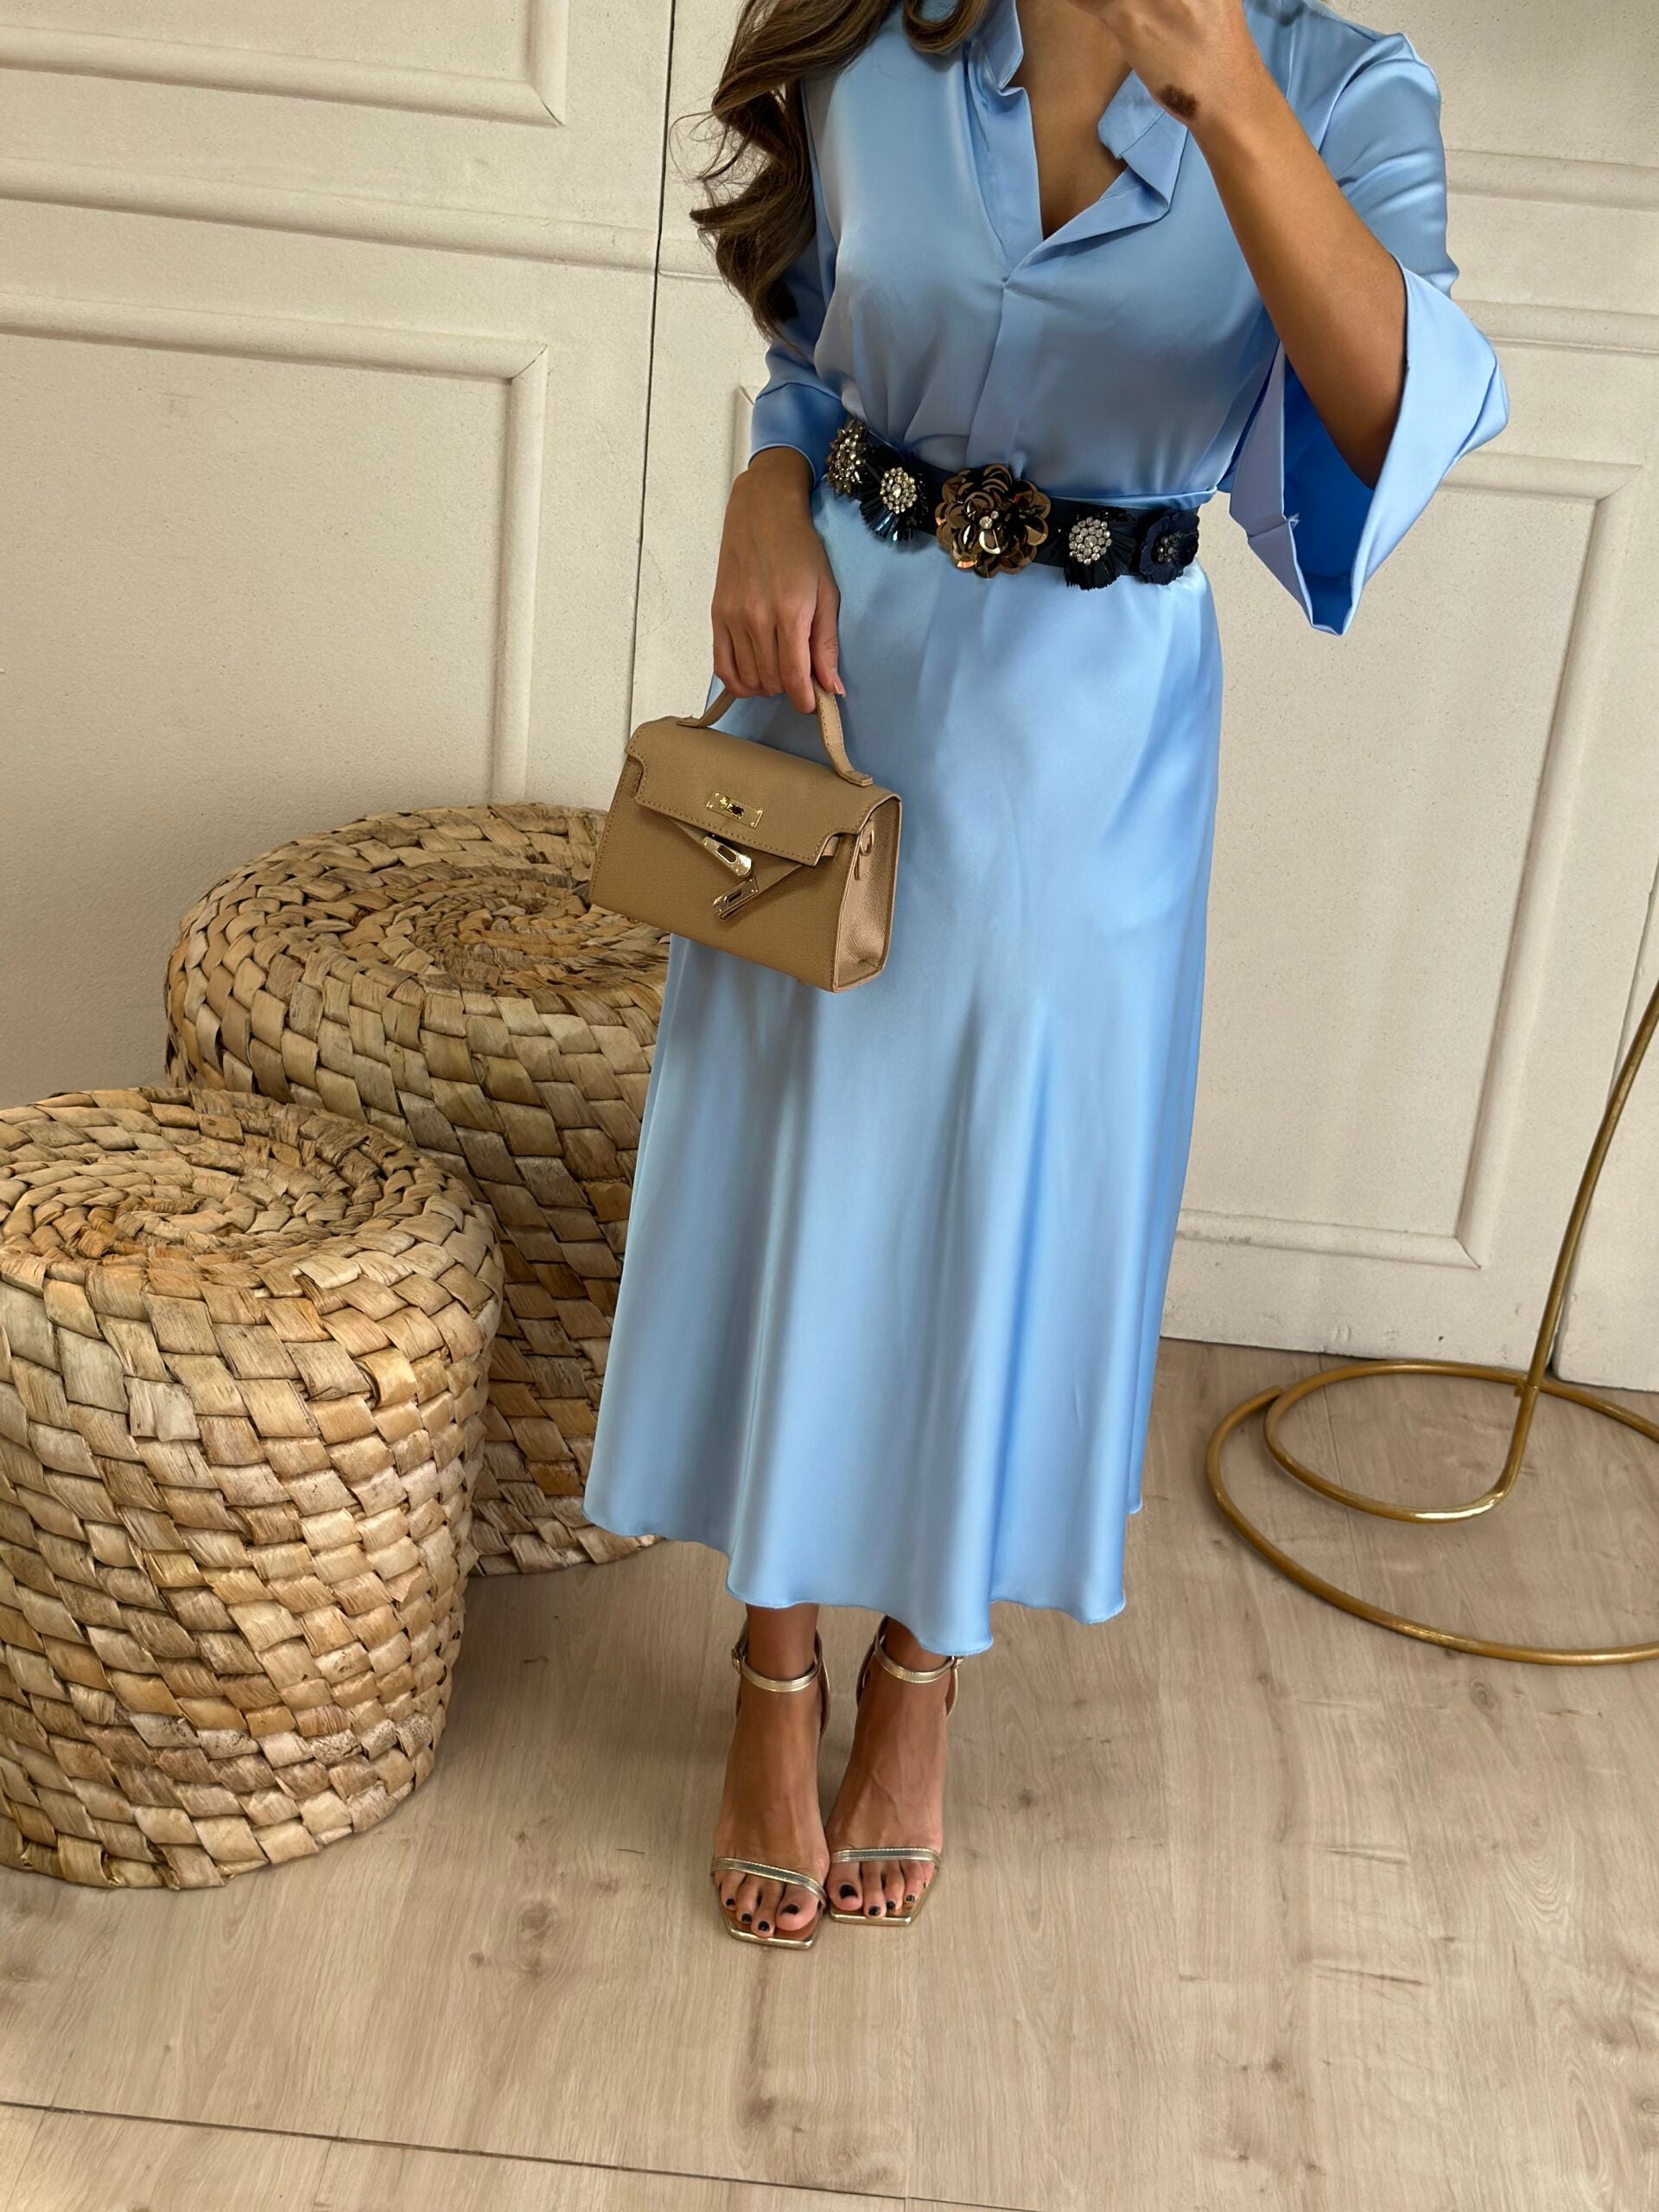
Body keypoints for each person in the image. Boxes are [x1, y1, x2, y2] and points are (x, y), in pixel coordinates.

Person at [582, 0, 1509, 1948]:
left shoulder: (1342, 89)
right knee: (804, 1175)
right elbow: (811, 345)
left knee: (1011, 1200)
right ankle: (772, 1663)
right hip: (834, 701)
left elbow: (1394, 412)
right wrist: (767, 485)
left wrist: (1228, 95)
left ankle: (925, 1661)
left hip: (1091, 758)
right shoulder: (883, 29)